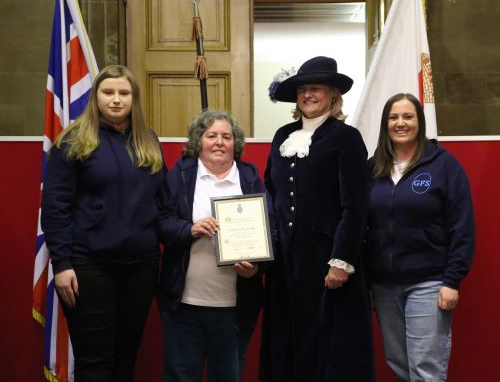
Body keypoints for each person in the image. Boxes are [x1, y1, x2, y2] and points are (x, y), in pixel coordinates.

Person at [41, 65, 169, 382]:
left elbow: (163, 201)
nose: (115, 100)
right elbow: (55, 207)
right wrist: (62, 264)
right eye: (108, 92)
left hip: (140, 266)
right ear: (95, 96)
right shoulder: (72, 141)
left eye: (123, 93)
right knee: (95, 361)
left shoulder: (148, 141)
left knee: (126, 358)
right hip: (88, 265)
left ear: (133, 99)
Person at [260, 56, 375, 381]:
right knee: (288, 336)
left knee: (327, 342)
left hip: (326, 259)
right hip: (286, 262)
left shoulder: (345, 137)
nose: (308, 95)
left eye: (316, 89)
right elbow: (271, 193)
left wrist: (341, 260)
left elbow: (356, 206)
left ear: (333, 96)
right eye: (303, 90)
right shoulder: (283, 135)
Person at [157, 110, 276, 382]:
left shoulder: (249, 178)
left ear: (236, 143)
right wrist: (189, 229)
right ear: (199, 141)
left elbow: (272, 231)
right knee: (180, 376)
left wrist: (256, 269)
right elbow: (161, 222)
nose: (219, 142)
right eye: (211, 136)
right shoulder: (181, 176)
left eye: (226, 136)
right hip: (183, 303)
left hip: (233, 307)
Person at [365, 93, 475, 381]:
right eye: (393, 117)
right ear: (385, 123)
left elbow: (462, 226)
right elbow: (360, 225)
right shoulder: (373, 168)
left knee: (426, 369)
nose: (400, 123)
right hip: (384, 286)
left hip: (429, 283)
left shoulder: (444, 166)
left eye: (408, 117)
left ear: (420, 122)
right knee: (399, 364)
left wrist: (452, 280)